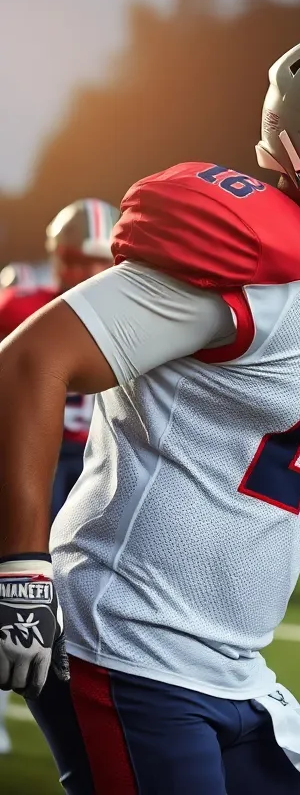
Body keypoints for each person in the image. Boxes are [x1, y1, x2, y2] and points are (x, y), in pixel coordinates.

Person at [0, 27, 300, 793]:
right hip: (124, 645)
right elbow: (29, 362)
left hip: (230, 664)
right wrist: (20, 569)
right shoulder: (259, 251)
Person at [0, 200, 117, 754]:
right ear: (59, 258)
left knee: (84, 597)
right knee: (14, 587)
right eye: (78, 261)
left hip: (95, 467)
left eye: (101, 262)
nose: (90, 276)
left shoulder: (133, 308)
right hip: (29, 460)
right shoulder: (20, 303)